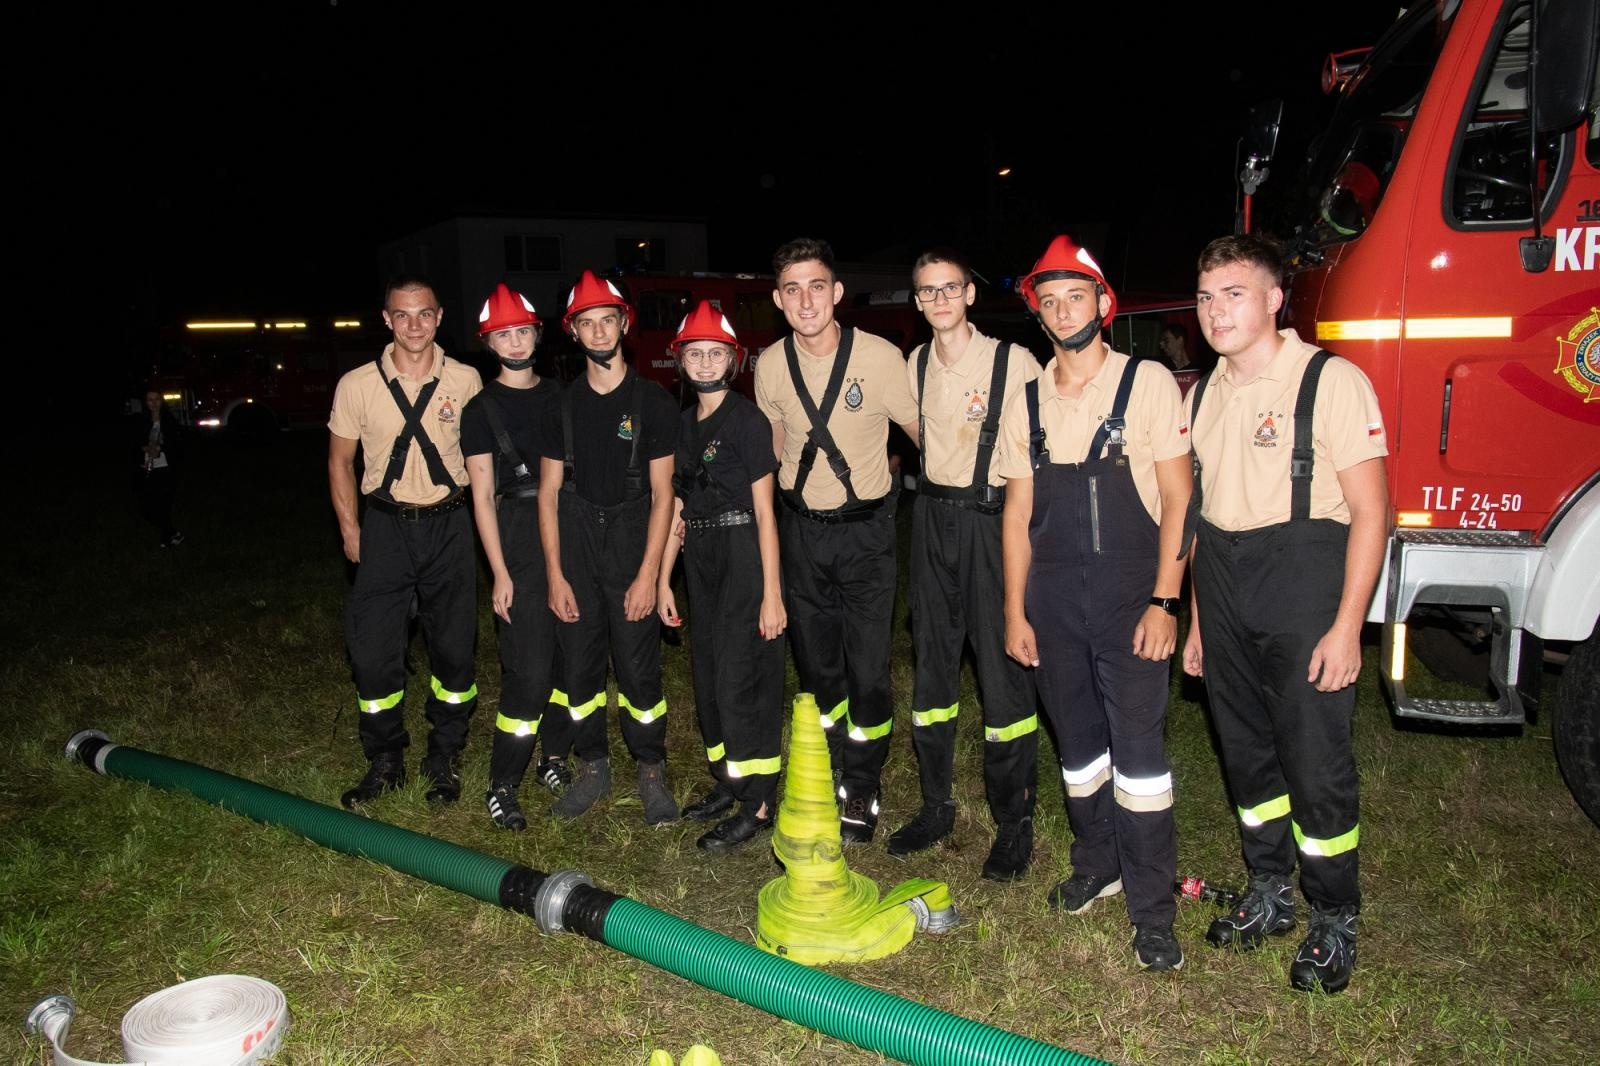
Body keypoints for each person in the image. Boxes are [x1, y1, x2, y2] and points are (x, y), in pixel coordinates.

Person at [1184, 233, 1388, 994]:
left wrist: (1347, 625)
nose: (1216, 311)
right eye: (1206, 297)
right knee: (1246, 753)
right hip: (1227, 584)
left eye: (1234, 293)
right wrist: (1201, 621)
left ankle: (1334, 915)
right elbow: (1202, 518)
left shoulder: (1330, 381)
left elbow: (1372, 513)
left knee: (1313, 758)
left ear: (1274, 299)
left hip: (1303, 579)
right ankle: (1269, 889)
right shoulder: (1202, 394)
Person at [998, 235, 1192, 972]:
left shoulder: (1147, 383)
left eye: (1074, 296)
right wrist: (1016, 611)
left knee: (1139, 761)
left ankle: (1152, 910)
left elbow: (1179, 499)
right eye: (1048, 301)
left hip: (1129, 597)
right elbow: (1017, 518)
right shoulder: (1027, 400)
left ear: (1104, 305)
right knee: (1078, 750)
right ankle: (1097, 862)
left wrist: (1164, 601)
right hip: (1051, 600)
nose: (1060, 310)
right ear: (1038, 317)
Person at [754, 237, 919, 844]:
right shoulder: (769, 365)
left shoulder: (880, 358)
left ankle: (864, 782)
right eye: (792, 289)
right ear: (777, 299)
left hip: (868, 537)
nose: (806, 300)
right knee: (819, 668)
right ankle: (828, 772)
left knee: (869, 668)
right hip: (802, 535)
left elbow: (922, 431)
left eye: (817, 286)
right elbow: (769, 452)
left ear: (837, 292)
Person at [893, 247, 1041, 881]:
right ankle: (936, 805)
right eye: (927, 292)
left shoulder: (1016, 362)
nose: (939, 301)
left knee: (1005, 671)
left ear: (970, 295)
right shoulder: (914, 362)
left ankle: (1014, 821)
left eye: (949, 289)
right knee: (932, 669)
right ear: (918, 301)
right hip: (930, 519)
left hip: (993, 520)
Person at [328, 274, 482, 809]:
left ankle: (445, 755)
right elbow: (339, 462)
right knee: (372, 654)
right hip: (385, 528)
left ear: (439, 318)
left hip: (450, 526)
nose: (413, 324)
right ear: (386, 319)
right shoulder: (356, 384)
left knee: (455, 654)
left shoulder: (466, 381)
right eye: (402, 314)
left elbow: (485, 467)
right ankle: (385, 758)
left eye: (424, 314)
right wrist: (351, 530)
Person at [537, 270, 680, 825]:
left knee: (639, 667)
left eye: (607, 320)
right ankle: (593, 763)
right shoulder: (560, 405)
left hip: (630, 541)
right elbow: (547, 494)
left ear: (624, 324)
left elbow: (665, 494)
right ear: (573, 332)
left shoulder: (655, 402)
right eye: (586, 323)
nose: (599, 332)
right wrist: (554, 574)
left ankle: (650, 766)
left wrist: (648, 575)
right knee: (580, 665)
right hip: (574, 540)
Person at [657, 301, 786, 851]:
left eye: (715, 353)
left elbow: (765, 512)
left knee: (741, 679)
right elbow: (679, 509)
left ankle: (759, 802)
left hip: (742, 553)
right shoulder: (683, 425)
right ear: (680, 361)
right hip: (701, 554)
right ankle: (728, 783)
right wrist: (664, 578)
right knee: (709, 679)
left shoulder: (748, 420)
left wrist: (772, 594)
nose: (705, 363)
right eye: (695, 354)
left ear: (732, 360)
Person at [461, 283, 572, 831]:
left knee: (570, 657)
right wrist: (499, 572)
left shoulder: (562, 395)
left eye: (522, 330)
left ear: (537, 334)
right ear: (489, 342)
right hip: (516, 531)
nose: (514, 341)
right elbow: (481, 495)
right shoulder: (480, 409)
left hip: (569, 526)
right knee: (528, 669)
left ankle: (553, 755)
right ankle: (502, 781)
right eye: (502, 334)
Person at [136, 389, 185, 548]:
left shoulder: (169, 420)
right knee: (146, 507)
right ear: (145, 402)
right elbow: (133, 442)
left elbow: (177, 444)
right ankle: (171, 532)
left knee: (164, 504)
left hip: (165, 468)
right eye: (150, 400)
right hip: (147, 468)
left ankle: (167, 539)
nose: (154, 403)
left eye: (157, 399)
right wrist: (145, 448)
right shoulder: (141, 420)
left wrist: (161, 449)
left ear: (161, 401)